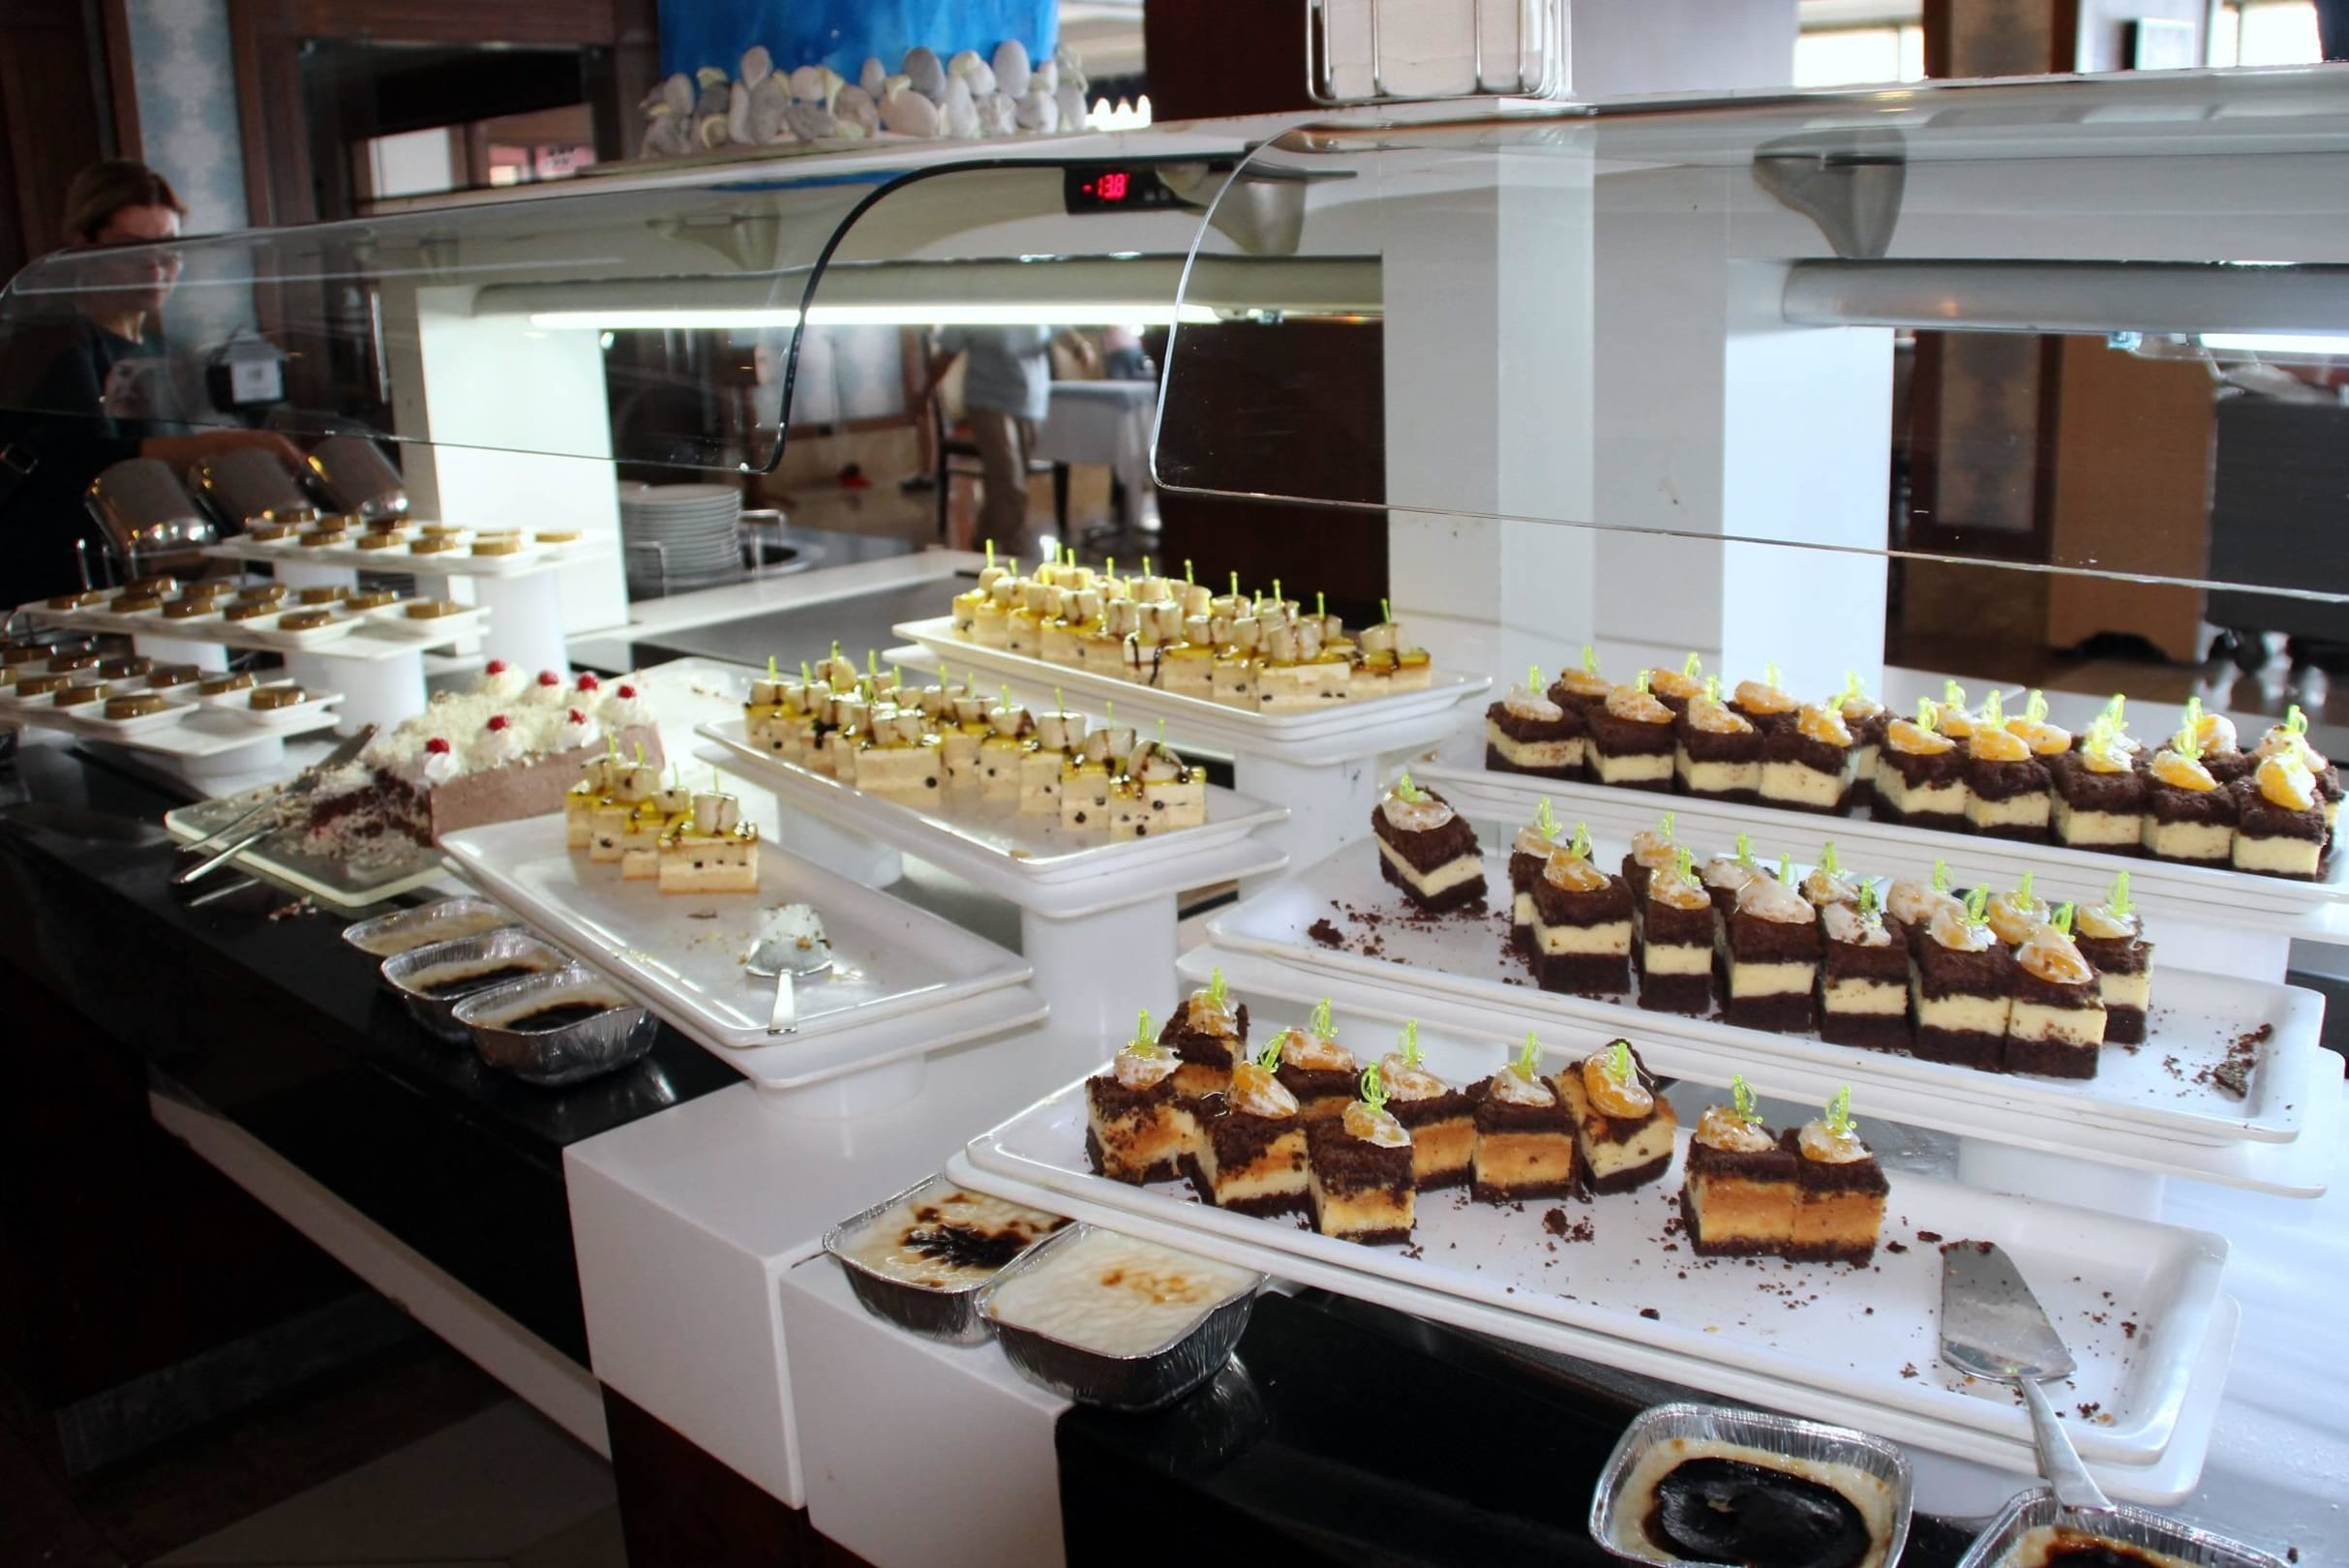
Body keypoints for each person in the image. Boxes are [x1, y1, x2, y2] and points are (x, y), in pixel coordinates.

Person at [0, 160, 301, 604]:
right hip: (59, 577)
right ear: (83, 246)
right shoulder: (55, 340)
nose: (156, 266)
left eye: (170, 249)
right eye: (132, 249)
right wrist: (228, 445)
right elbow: (90, 461)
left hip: (143, 568)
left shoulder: (162, 346)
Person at [927, 324, 1096, 558]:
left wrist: (1080, 347)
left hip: (1030, 402)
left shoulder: (1034, 303)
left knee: (1002, 488)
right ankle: (1016, 555)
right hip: (987, 402)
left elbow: (1060, 327)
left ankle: (981, 543)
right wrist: (923, 394)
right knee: (1011, 484)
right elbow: (946, 354)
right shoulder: (973, 307)